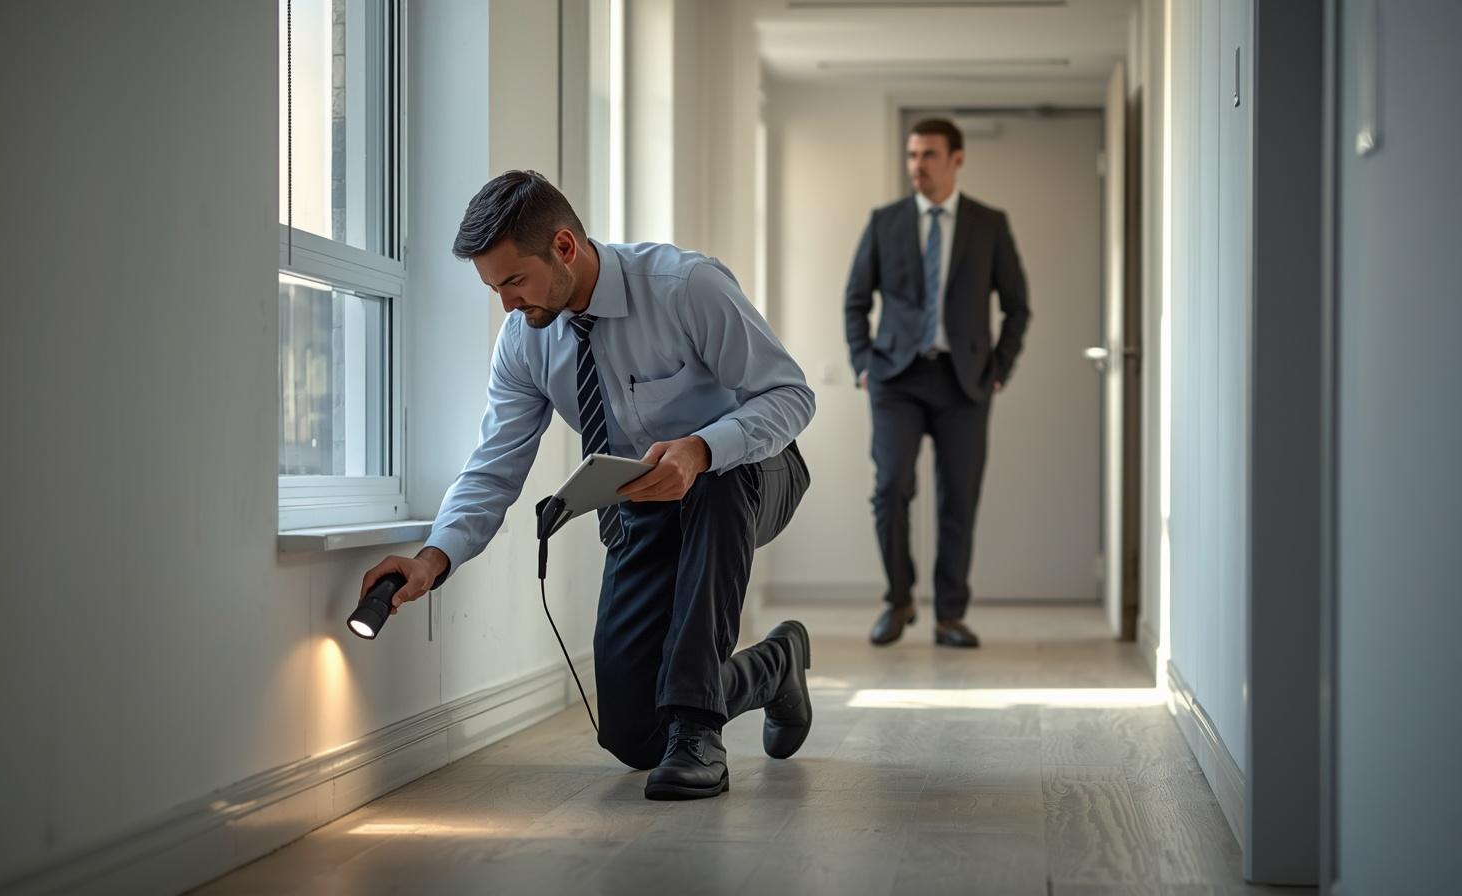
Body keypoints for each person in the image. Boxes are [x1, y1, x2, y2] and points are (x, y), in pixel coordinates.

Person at [360, 171, 816, 801]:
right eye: (494, 288)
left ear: (565, 247)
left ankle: (698, 730)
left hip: (757, 473)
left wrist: (703, 446)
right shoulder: (525, 342)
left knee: (716, 482)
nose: (508, 305)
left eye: (514, 281)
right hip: (645, 502)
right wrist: (433, 559)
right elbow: (495, 464)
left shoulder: (687, 287)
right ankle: (776, 665)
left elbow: (791, 395)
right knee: (632, 737)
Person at [844, 117, 1031, 649]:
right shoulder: (885, 222)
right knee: (889, 487)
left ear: (956, 159)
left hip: (964, 382)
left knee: (959, 499)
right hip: (896, 379)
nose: (917, 166)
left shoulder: (988, 224)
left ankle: (950, 614)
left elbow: (1017, 306)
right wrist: (863, 362)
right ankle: (898, 600)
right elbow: (856, 299)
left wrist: (1000, 368)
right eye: (911, 155)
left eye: (928, 155)